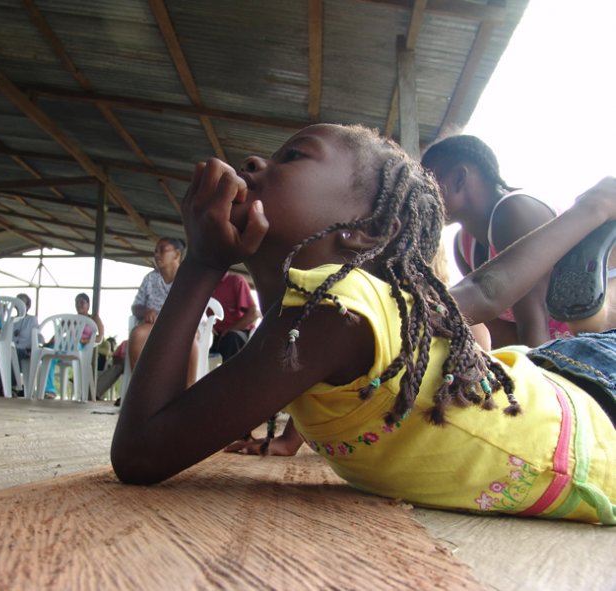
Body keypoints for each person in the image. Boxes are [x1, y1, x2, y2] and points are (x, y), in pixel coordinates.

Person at [111, 123, 615, 524]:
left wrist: (201, 262)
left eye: (293, 155)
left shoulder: (337, 314)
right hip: (563, 380)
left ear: (366, 232)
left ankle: (599, 244)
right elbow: (480, 292)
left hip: (596, 419)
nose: (254, 162)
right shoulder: (327, 319)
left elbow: (140, 453)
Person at [420, 135, 569, 348]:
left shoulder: (515, 212)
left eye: (427, 184)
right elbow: (500, 331)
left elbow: (535, 324)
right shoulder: (464, 244)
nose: (421, 196)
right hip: (560, 348)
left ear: (459, 179)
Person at [127, 238, 198, 384]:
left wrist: (177, 321)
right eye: (155, 251)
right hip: (154, 325)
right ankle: (140, 388)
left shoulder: (189, 278)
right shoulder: (150, 279)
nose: (157, 254)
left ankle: (189, 390)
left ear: (176, 255)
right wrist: (146, 311)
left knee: (189, 337)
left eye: (162, 250)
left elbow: (195, 309)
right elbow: (136, 306)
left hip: (183, 325)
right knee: (138, 333)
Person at [210, 272, 260, 362]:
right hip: (212, 334)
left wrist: (228, 330)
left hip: (237, 333)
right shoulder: (203, 284)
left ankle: (230, 375)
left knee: (231, 337)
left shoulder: (236, 281)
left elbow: (253, 314)